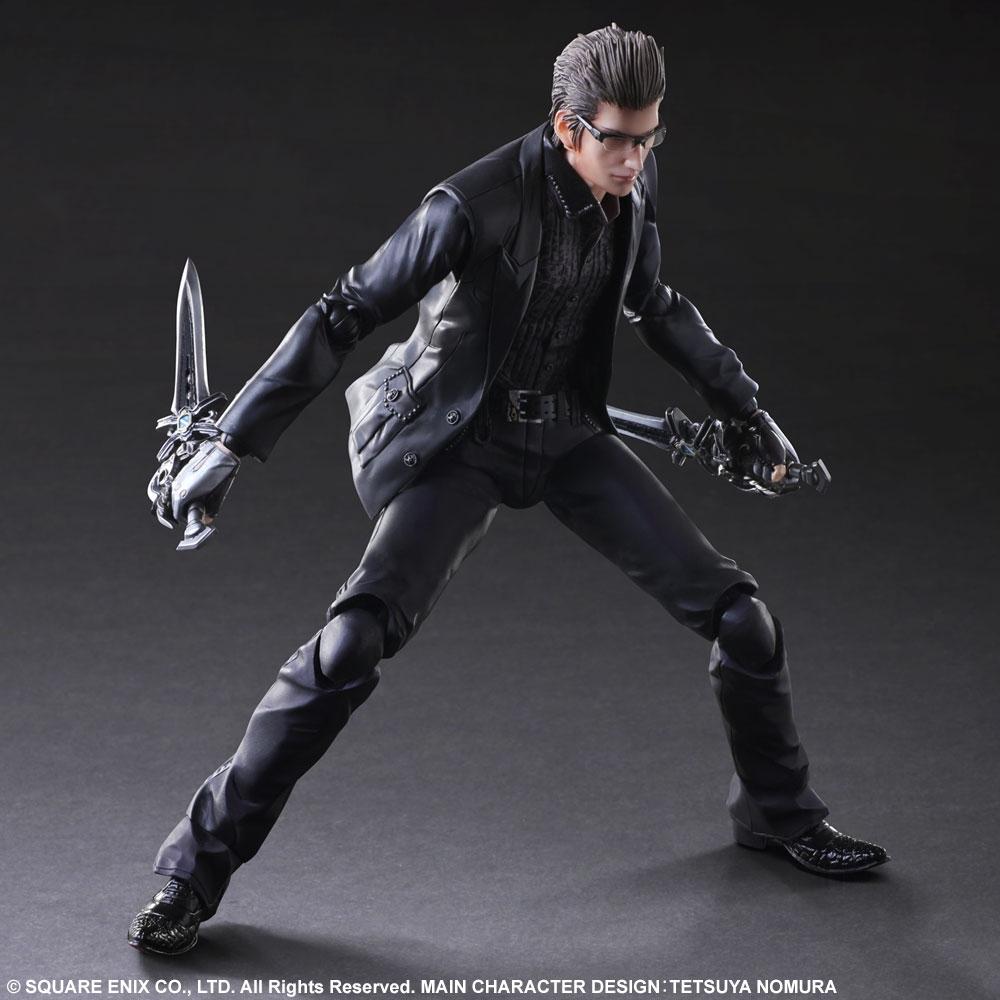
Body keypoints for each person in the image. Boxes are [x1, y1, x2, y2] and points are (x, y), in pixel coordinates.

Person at [128, 24, 888, 957]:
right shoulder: (473, 204)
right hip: (461, 446)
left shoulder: (628, 190)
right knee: (350, 642)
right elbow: (344, 310)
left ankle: (778, 812)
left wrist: (748, 410)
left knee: (745, 620)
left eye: (649, 138)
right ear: (567, 127)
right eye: (618, 140)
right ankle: (191, 875)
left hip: (567, 436)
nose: (636, 159)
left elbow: (657, 305)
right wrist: (233, 444)